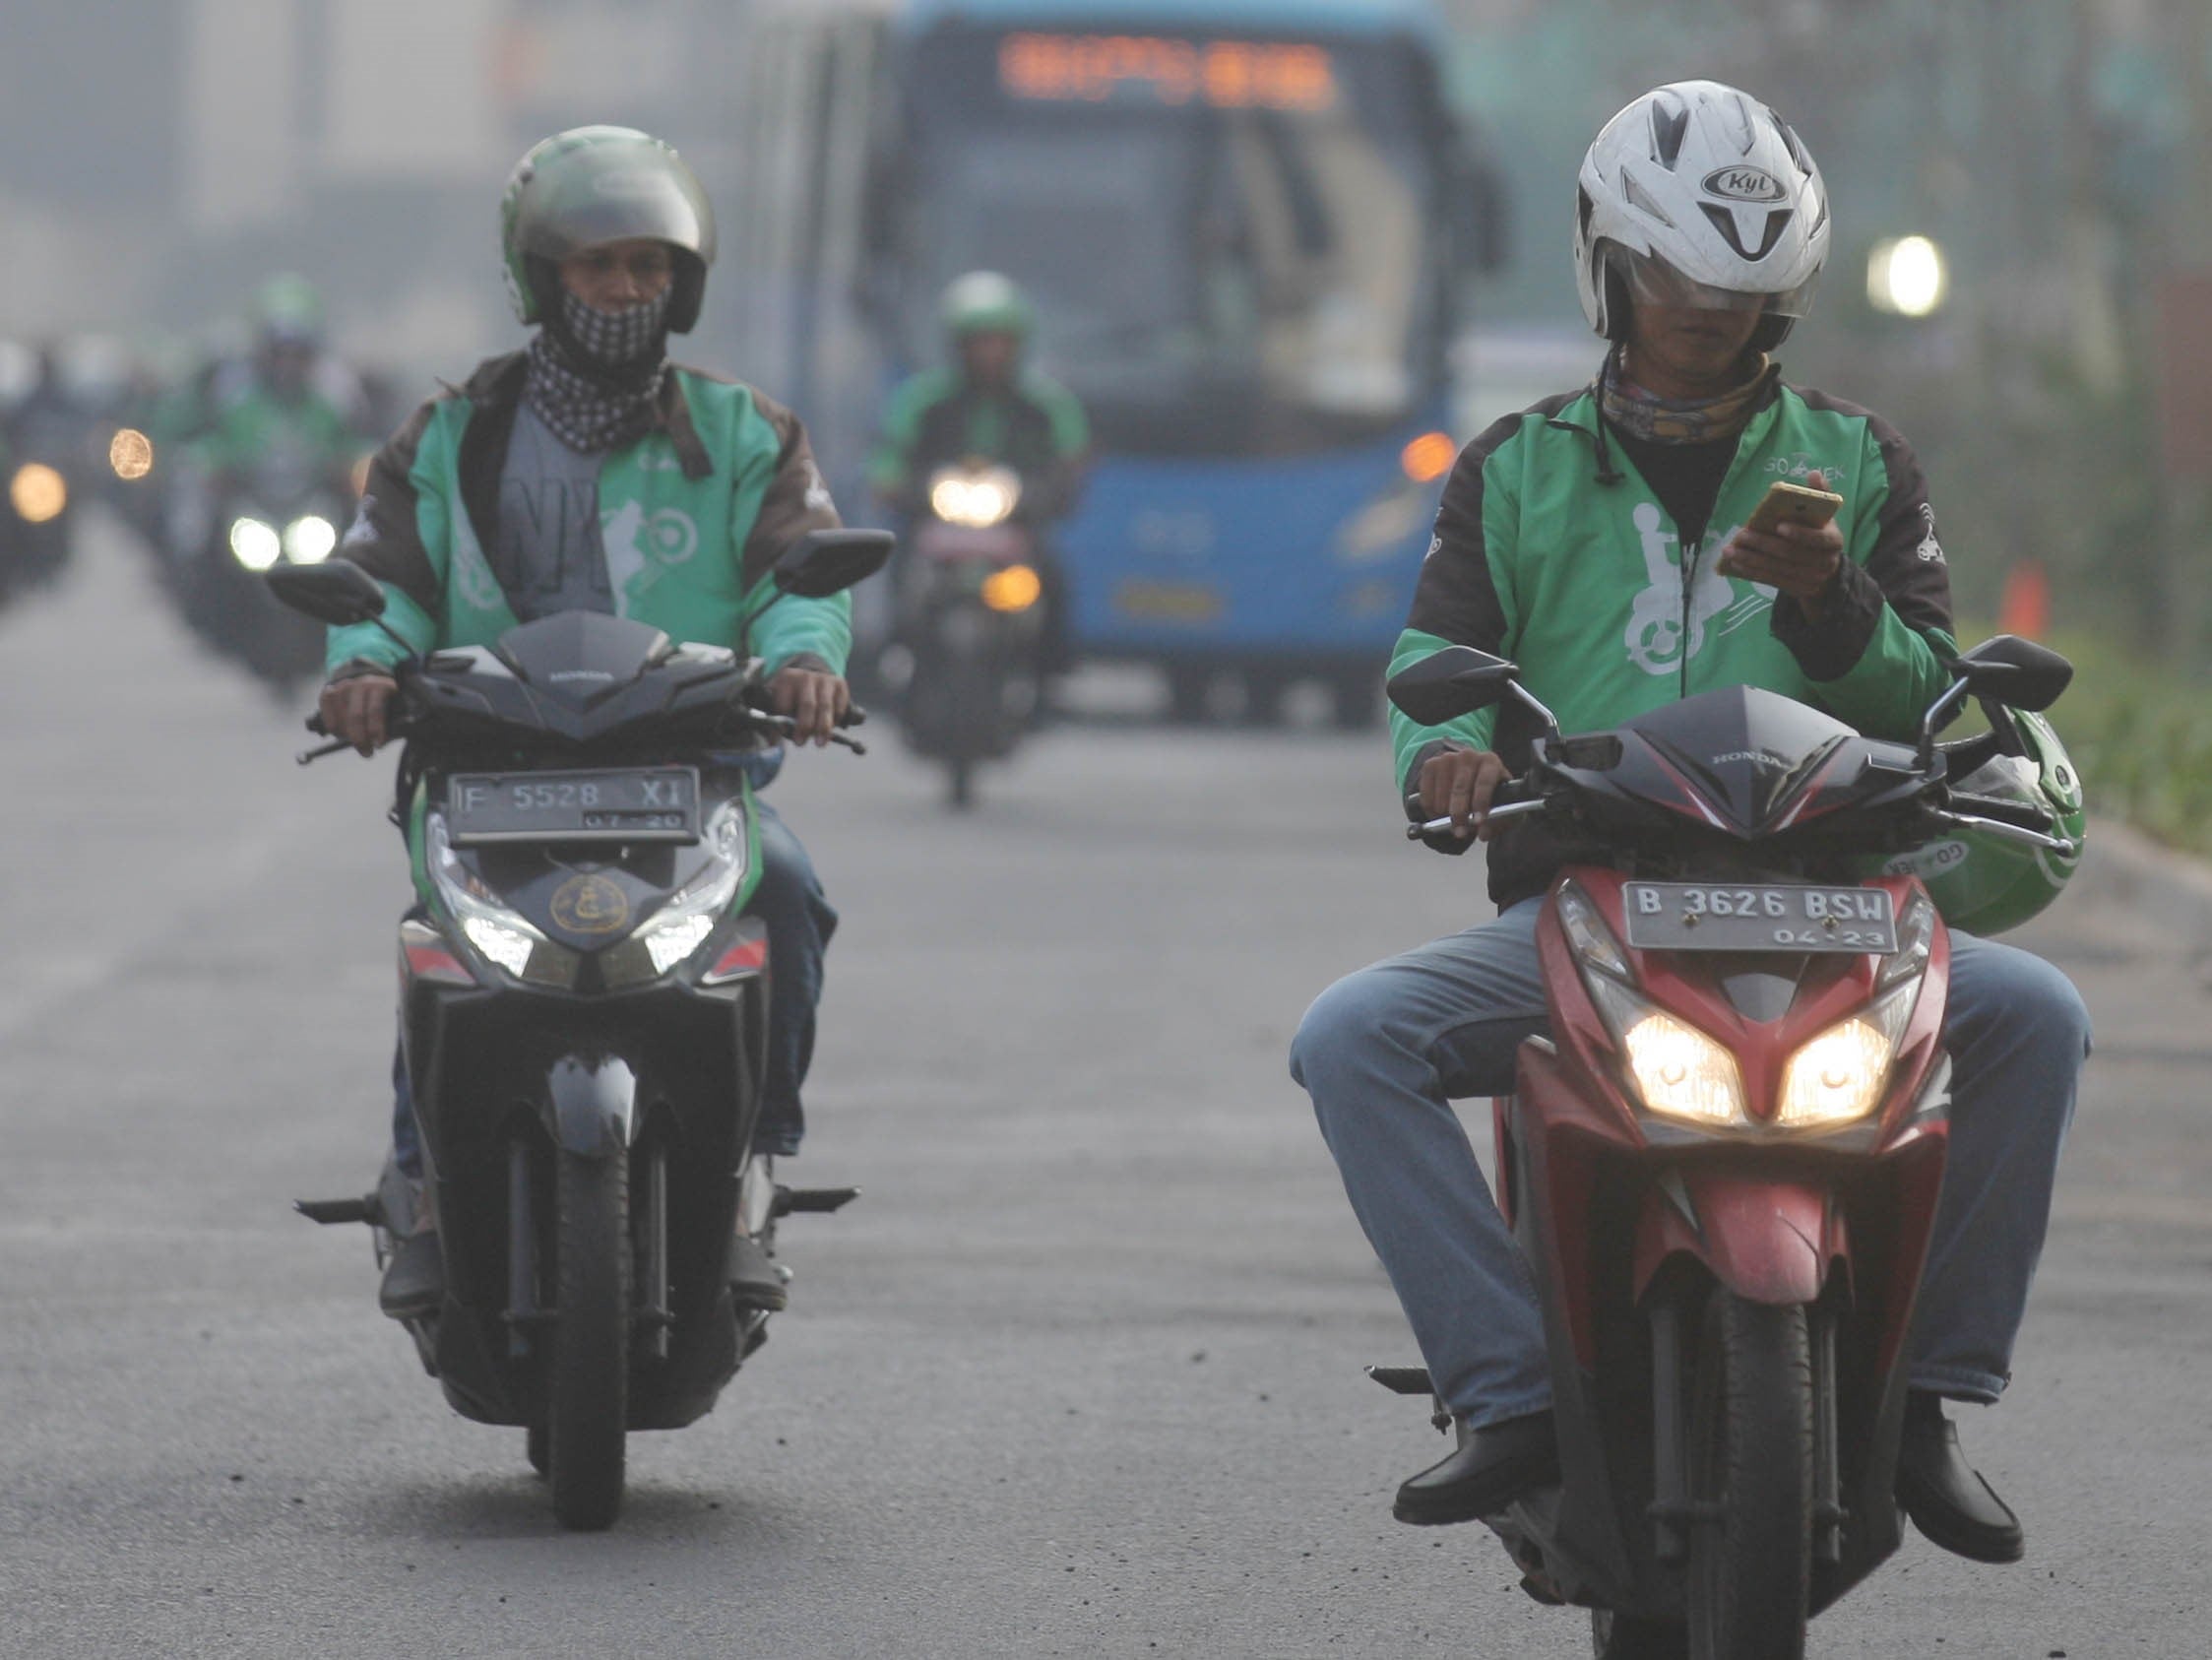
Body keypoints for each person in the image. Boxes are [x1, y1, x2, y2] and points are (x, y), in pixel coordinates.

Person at [1288, 81, 2090, 1565]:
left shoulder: (1857, 464)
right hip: (1593, 893)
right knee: (1351, 1039)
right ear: (1604, 262)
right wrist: (1446, 756)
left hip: (1835, 901)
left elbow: (1927, 690)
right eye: (1669, 276)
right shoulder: (1511, 467)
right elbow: (1430, 667)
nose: (1702, 310)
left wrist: (1827, 597)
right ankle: (1507, 1387)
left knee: (2036, 1016)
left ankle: (1925, 1393)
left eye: (1739, 287)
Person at [316, 126, 853, 1318]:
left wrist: (808, 662)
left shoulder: (745, 432)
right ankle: (423, 1181)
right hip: (488, 770)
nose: (623, 292)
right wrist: (362, 667)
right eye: (597, 265)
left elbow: (801, 574)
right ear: (540, 276)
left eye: (647, 269)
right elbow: (383, 579)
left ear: (683, 283)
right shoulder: (446, 437)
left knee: (789, 893)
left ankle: (754, 1156)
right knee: (440, 949)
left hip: (690, 771)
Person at [869, 272, 1089, 680]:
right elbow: (891, 457)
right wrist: (895, 485)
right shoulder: (923, 401)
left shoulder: (1045, 405)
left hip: (1013, 525)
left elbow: (1069, 460)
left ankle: (1047, 675)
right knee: (898, 570)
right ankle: (895, 658)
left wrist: (1051, 494)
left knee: (1053, 578)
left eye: (999, 341)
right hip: (938, 523)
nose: (989, 353)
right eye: (979, 342)